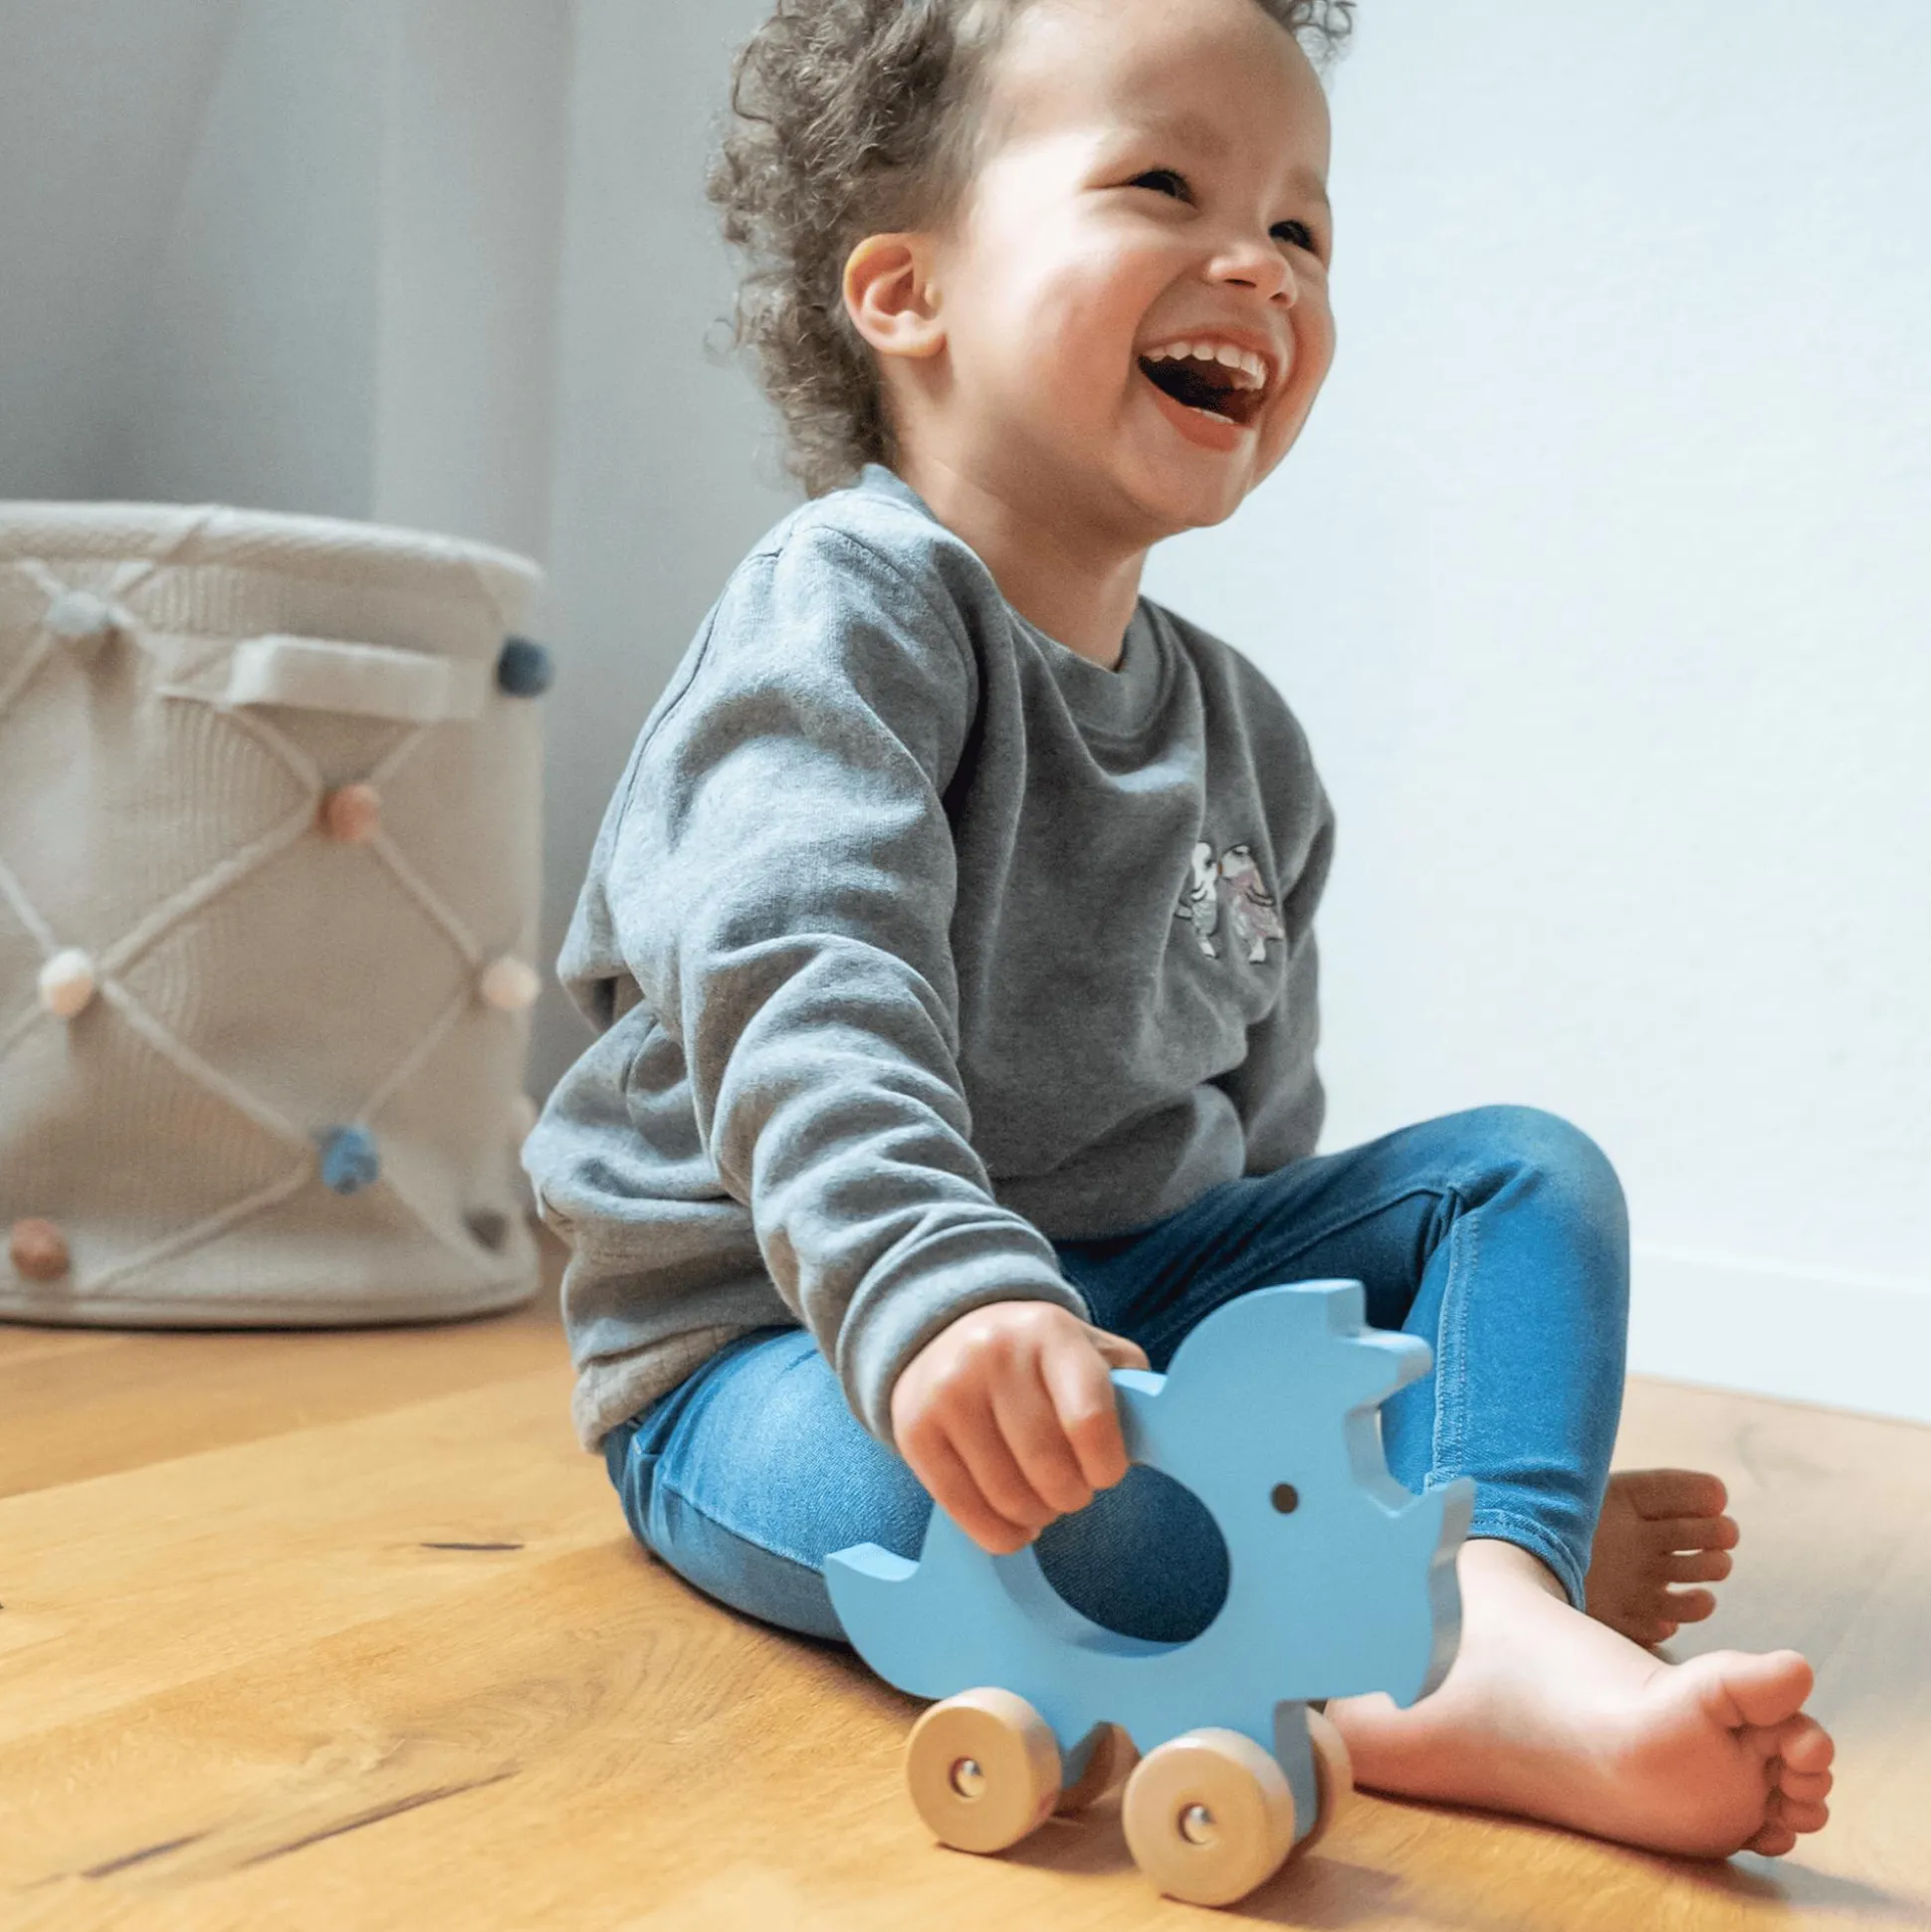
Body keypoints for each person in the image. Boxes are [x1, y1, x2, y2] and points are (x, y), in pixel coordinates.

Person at [524, 0, 1833, 1860]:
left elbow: (1260, 1165)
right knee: (1046, 1516)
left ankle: (1487, 1593)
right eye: (1163, 184)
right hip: (793, 1341)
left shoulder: (1248, 741)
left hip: (1135, 1303)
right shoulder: (842, 614)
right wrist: (943, 1295)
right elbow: (800, 986)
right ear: (906, 292)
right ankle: (1413, 1621)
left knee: (1524, 1178)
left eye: (1301, 227)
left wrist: (1344, 1413)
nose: (1263, 264)